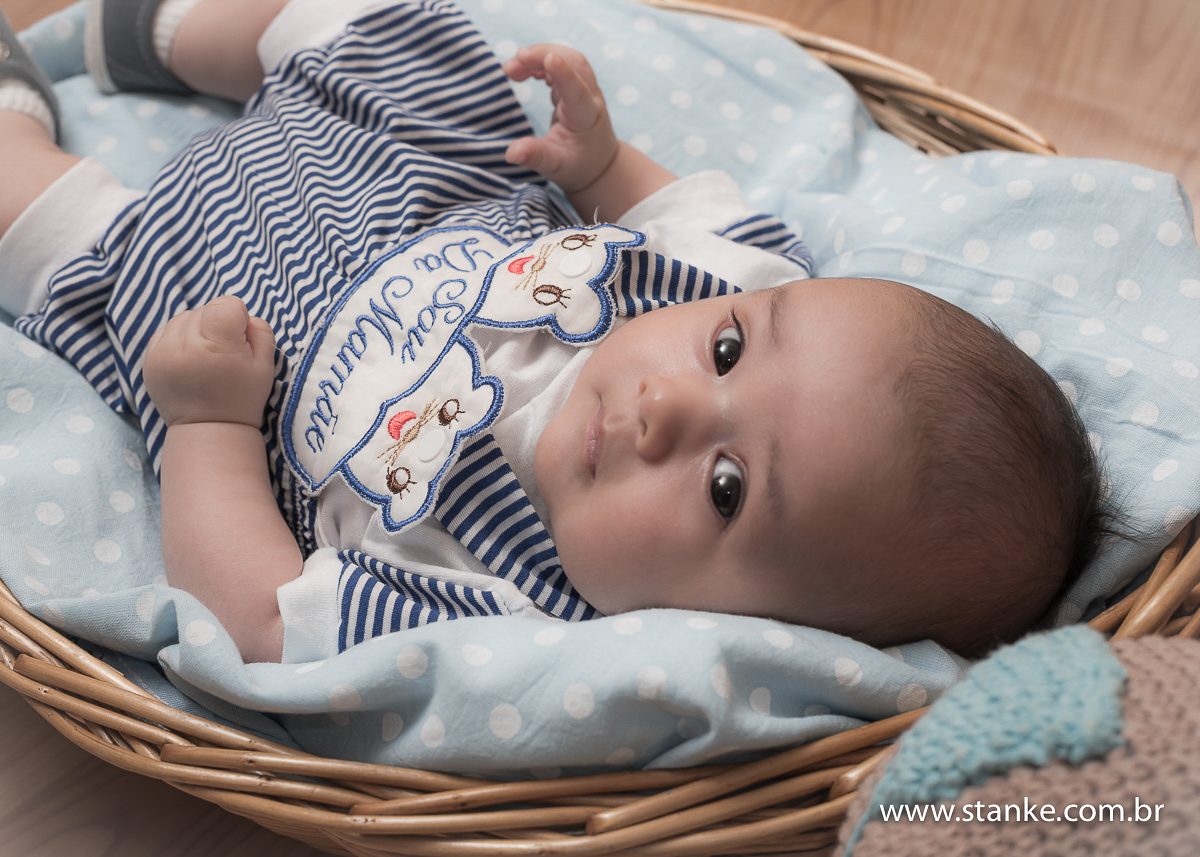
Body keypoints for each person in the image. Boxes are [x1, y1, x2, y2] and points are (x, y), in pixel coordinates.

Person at [0, 0, 1108, 665]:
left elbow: (259, 624)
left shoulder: (507, 601)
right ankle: (168, 33)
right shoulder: (734, 285)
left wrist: (203, 424)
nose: (670, 402)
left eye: (727, 487)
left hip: (231, 326)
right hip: (427, 187)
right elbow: (687, 214)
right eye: (725, 350)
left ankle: (16, 118)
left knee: (54, 235)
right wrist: (600, 163)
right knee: (388, 29)